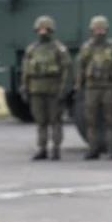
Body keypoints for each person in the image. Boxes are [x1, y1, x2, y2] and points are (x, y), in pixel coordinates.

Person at [20, 15, 71, 160]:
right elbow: (26, 71)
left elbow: (66, 70)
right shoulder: (32, 49)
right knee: (40, 122)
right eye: (40, 29)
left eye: (46, 29)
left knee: (55, 121)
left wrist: (63, 90)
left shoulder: (58, 49)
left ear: (51, 30)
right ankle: (42, 148)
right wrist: (25, 87)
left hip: (54, 91)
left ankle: (56, 149)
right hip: (36, 91)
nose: (43, 32)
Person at [76, 15, 112, 160]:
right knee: (91, 121)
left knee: (111, 120)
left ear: (106, 30)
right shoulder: (87, 48)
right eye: (97, 29)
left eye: (102, 29)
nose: (99, 32)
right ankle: (93, 149)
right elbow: (80, 67)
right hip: (91, 88)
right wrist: (79, 86)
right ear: (92, 30)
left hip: (108, 88)